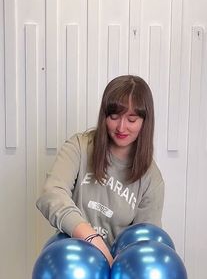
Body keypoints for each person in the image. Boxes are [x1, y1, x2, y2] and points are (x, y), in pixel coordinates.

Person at [36, 75, 164, 265]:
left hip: (117, 274)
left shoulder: (151, 179)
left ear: (145, 122)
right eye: (114, 116)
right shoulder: (79, 147)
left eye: (132, 119)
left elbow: (146, 246)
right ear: (104, 115)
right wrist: (91, 238)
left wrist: (114, 265)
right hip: (72, 267)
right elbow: (51, 195)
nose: (121, 127)